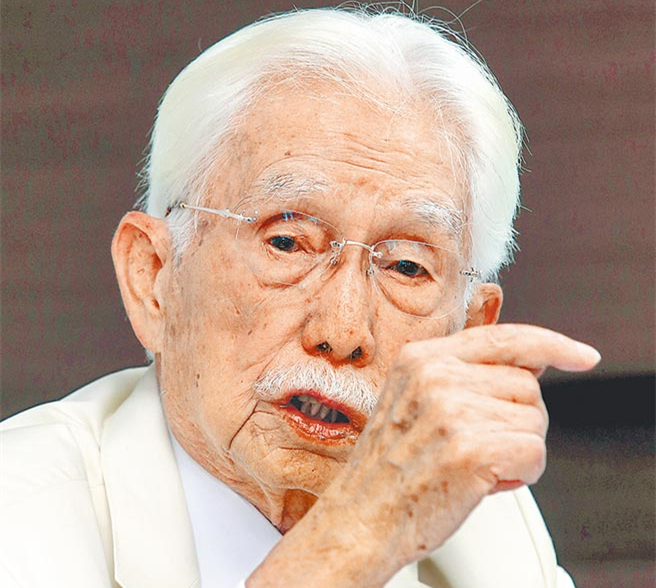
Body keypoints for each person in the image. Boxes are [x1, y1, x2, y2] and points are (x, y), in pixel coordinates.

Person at [0, 7, 600, 588]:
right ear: (154, 278)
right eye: (287, 242)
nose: (342, 332)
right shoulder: (20, 521)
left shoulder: (482, 522)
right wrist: (350, 546)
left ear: (467, 337)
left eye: (407, 267)